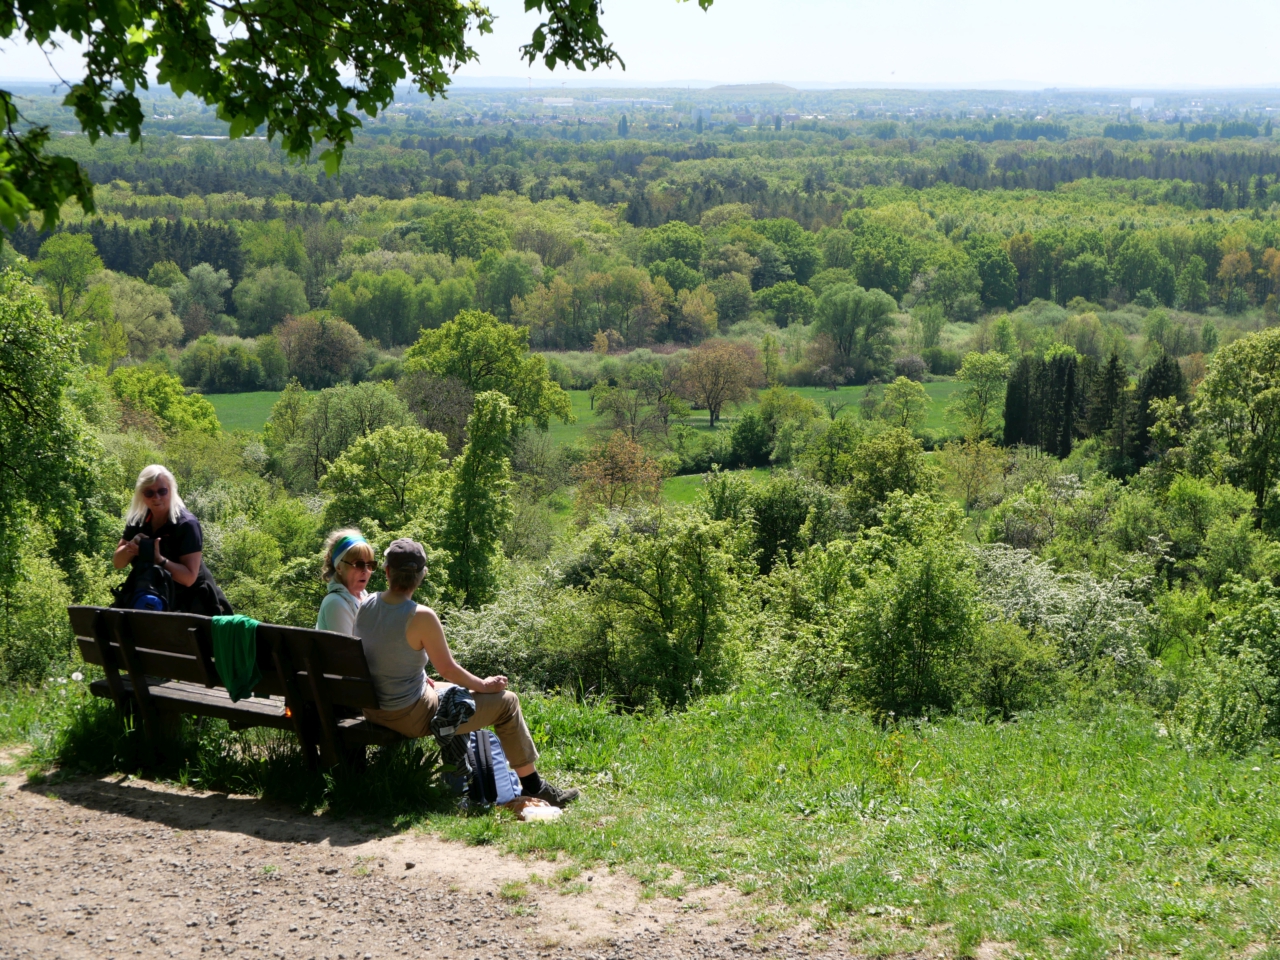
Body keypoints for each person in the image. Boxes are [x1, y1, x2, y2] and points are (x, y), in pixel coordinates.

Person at [356, 538, 579, 808]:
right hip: (406, 714)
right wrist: (484, 686)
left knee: (454, 694)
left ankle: (459, 779)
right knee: (506, 702)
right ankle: (535, 786)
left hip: (373, 708)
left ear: (387, 571)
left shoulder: (366, 605)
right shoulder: (421, 616)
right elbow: (447, 668)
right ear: (421, 576)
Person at [112, 464, 231, 615]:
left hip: (193, 606)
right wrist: (133, 544)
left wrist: (158, 559)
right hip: (153, 602)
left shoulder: (186, 524)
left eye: (162, 491)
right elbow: (118, 562)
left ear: (172, 490)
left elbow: (189, 578)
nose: (156, 497)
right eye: (149, 493)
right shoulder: (138, 522)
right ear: (141, 494)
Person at [316, 529, 376, 635]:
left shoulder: (362, 595)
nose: (366, 571)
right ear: (339, 567)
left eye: (370, 565)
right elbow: (348, 650)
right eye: (358, 564)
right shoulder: (335, 603)